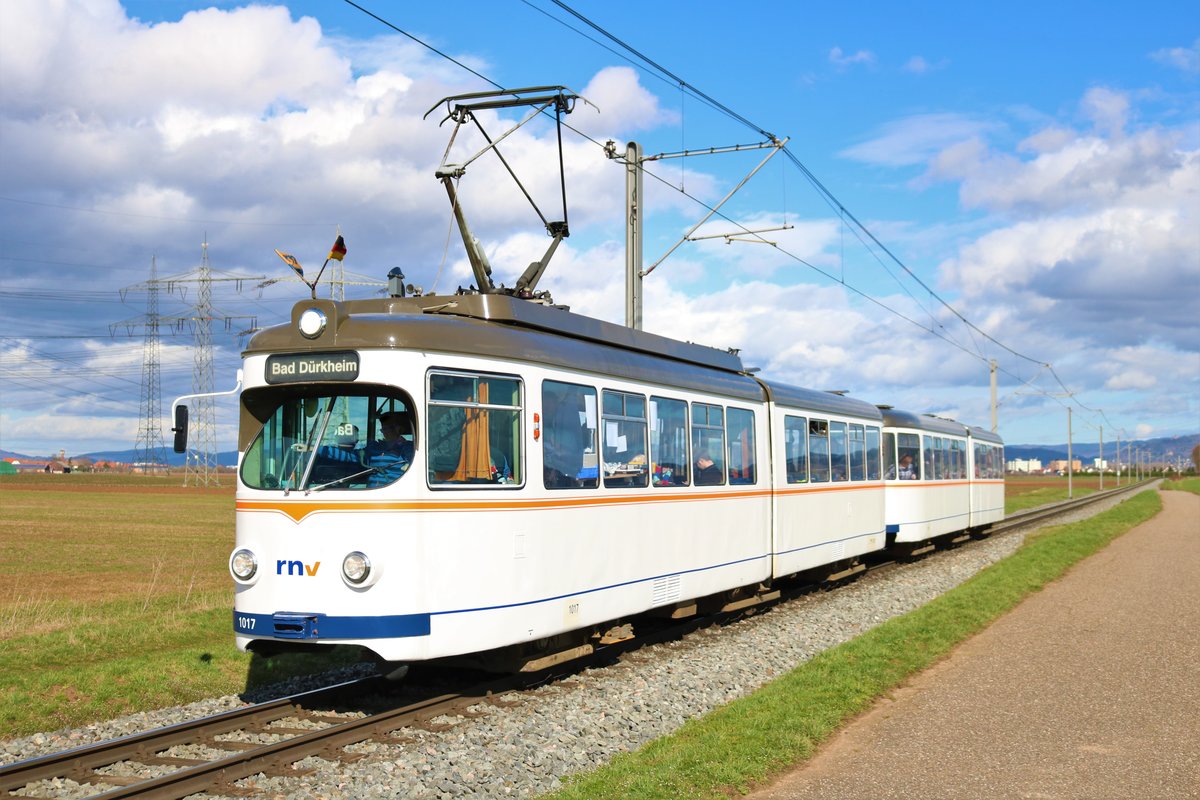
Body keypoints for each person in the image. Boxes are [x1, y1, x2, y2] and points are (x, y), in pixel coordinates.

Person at [366, 411, 413, 487]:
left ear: (399, 428)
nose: (385, 431)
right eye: (383, 429)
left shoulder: (408, 448)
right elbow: (355, 457)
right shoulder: (374, 447)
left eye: (389, 428)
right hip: (369, 492)